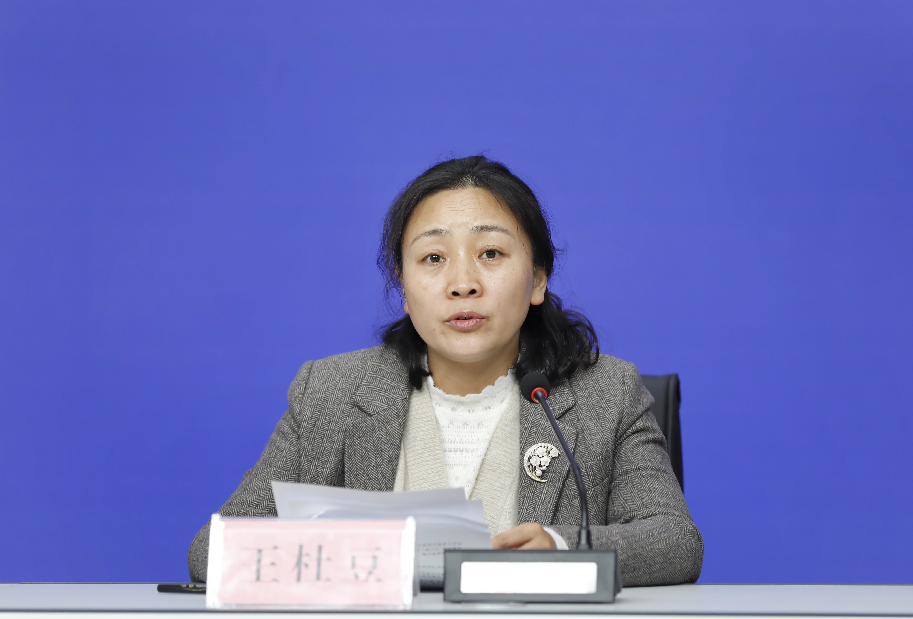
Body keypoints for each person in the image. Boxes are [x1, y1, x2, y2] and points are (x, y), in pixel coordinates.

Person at [188, 155, 703, 585]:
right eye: (433, 258)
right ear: (403, 287)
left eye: (491, 253)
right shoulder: (330, 393)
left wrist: (561, 548)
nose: (462, 283)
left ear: (537, 280)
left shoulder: (606, 393)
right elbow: (212, 550)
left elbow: (676, 543)